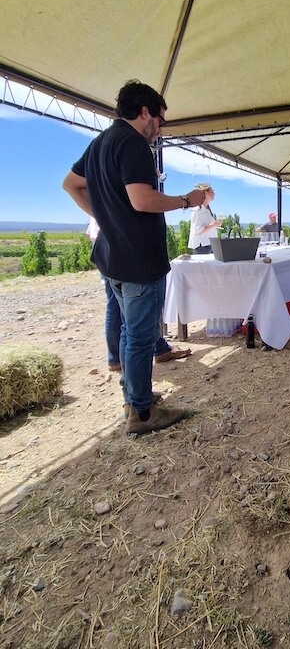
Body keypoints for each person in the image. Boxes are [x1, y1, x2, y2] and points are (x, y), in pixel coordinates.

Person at [63, 79, 206, 435]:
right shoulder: (134, 144)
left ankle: (134, 397)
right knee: (141, 337)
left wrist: (103, 215)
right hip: (139, 258)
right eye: (159, 119)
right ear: (145, 112)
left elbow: (70, 184)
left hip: (113, 257)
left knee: (130, 332)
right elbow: (142, 200)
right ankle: (141, 414)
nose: (159, 129)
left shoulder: (100, 143)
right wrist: (187, 201)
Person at [87, 217, 191, 370]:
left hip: (108, 253)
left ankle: (121, 359)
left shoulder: (101, 200)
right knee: (133, 321)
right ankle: (127, 371)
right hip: (124, 254)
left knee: (122, 313)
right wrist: (184, 201)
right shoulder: (115, 200)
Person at [188, 184, 222, 254]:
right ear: (206, 193)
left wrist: (216, 224)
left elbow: (208, 227)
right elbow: (197, 231)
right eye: (212, 192)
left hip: (210, 244)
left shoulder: (207, 209)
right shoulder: (197, 210)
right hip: (202, 246)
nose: (214, 194)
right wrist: (212, 225)